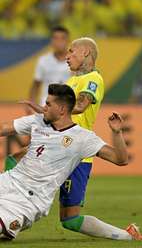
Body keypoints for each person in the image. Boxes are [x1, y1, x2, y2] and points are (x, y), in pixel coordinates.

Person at [0, 84, 142, 240]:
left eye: (48, 104)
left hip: (28, 200)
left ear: (62, 109)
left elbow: (120, 159)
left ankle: (127, 236)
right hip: (7, 182)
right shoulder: (38, 121)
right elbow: (3, 128)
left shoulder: (82, 138)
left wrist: (116, 133)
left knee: (70, 219)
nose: (43, 108)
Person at [4, 37, 107, 237]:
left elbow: (79, 107)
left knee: (70, 220)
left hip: (74, 150)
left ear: (85, 52)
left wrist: (43, 111)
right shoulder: (72, 80)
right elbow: (59, 112)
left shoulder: (93, 79)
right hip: (54, 143)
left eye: (71, 52)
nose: (67, 57)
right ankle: (11, 212)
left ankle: (126, 234)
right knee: (12, 160)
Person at [4, 26, 71, 171]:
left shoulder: (72, 62)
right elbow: (36, 84)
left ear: (67, 41)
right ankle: (15, 166)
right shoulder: (44, 61)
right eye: (55, 38)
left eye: (61, 38)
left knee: (47, 146)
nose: (58, 42)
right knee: (38, 143)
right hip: (45, 109)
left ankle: (16, 161)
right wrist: (30, 106)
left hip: (65, 112)